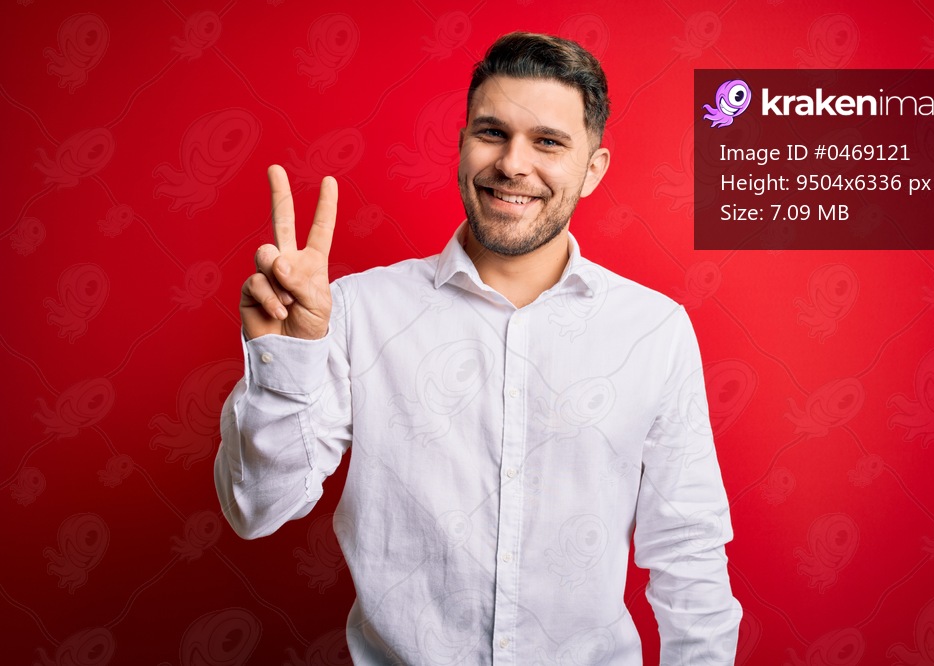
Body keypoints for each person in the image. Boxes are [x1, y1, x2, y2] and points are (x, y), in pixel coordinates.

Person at [216, 31, 741, 665]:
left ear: (593, 169)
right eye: (492, 133)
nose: (513, 164)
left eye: (548, 142)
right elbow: (255, 510)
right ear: (463, 142)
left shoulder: (654, 330)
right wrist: (289, 364)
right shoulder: (354, 311)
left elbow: (688, 549)